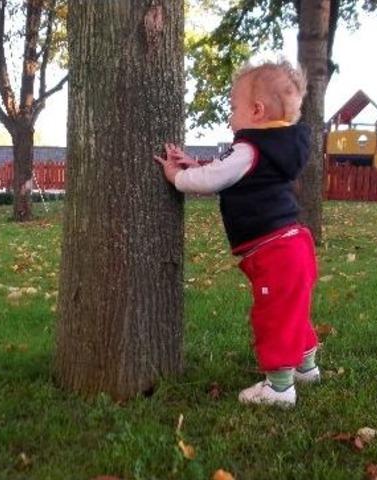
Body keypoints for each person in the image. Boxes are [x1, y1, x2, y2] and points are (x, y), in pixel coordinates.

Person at [155, 60, 319, 408]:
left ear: (256, 111)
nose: (230, 115)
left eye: (233, 107)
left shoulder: (250, 148)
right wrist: (195, 163)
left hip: (275, 251)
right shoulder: (278, 149)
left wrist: (176, 177)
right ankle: (306, 367)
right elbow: (228, 173)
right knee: (293, 310)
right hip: (294, 245)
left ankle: (279, 389)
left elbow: (215, 178)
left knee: (273, 315)